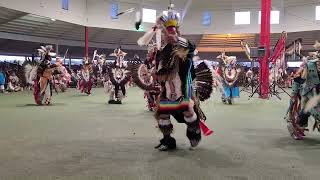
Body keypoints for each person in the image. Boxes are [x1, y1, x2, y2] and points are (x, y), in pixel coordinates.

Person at [137, 3, 213, 151]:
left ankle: (194, 133)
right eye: (166, 34)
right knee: (162, 115)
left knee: (188, 111)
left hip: (183, 90)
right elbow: (160, 74)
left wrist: (177, 39)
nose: (168, 36)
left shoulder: (183, 48)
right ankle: (167, 140)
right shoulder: (160, 53)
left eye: (171, 33)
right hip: (167, 93)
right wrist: (153, 76)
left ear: (177, 32)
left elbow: (191, 48)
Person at [286, 53, 320, 140]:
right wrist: (294, 94)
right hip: (308, 93)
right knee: (307, 111)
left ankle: (300, 127)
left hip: (316, 93)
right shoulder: (308, 65)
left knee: (307, 112)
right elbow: (297, 79)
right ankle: (296, 127)